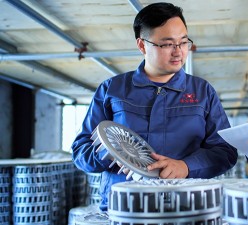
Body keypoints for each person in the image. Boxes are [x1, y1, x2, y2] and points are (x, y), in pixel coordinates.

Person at [71, 2, 237, 211]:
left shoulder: (202, 92)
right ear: (142, 45)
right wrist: (110, 154)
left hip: (185, 207)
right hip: (124, 208)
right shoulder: (112, 90)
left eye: (183, 42)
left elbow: (225, 152)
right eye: (167, 44)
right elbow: (80, 151)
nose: (178, 52)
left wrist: (186, 167)